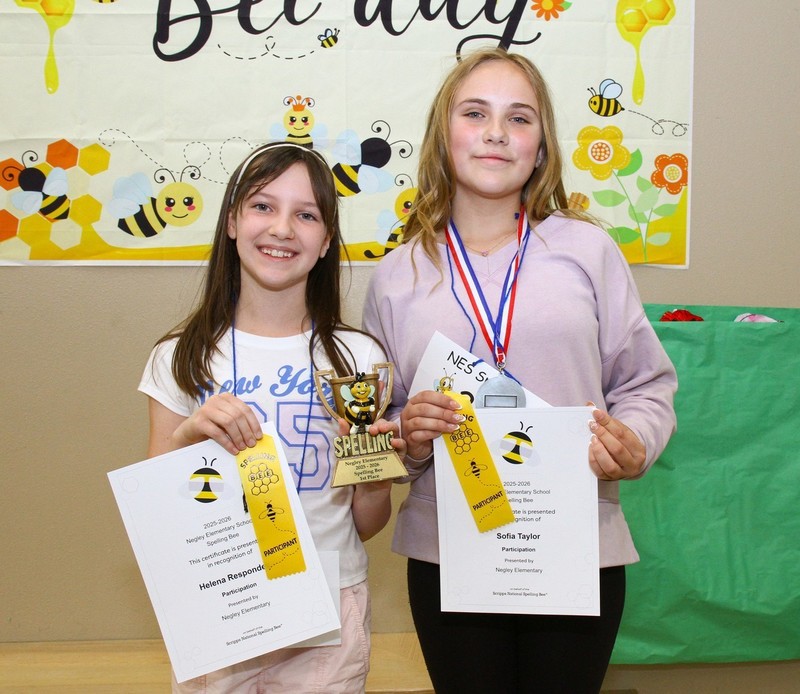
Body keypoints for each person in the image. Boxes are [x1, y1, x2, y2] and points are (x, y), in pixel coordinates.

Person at [363, 48, 677, 693]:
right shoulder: (396, 275)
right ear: (442, 135)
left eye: (520, 118)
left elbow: (646, 383)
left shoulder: (587, 249)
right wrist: (407, 434)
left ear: (541, 147)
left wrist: (636, 441)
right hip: (450, 549)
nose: (497, 132)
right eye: (475, 112)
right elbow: (373, 429)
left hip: (575, 544)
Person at [140, 142, 401, 693]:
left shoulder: (359, 362)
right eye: (263, 206)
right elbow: (156, 508)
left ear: (327, 239)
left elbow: (366, 523)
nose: (282, 228)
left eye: (306, 215)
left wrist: (375, 476)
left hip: (328, 610)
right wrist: (191, 434)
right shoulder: (180, 356)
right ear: (232, 221)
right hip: (221, 602)